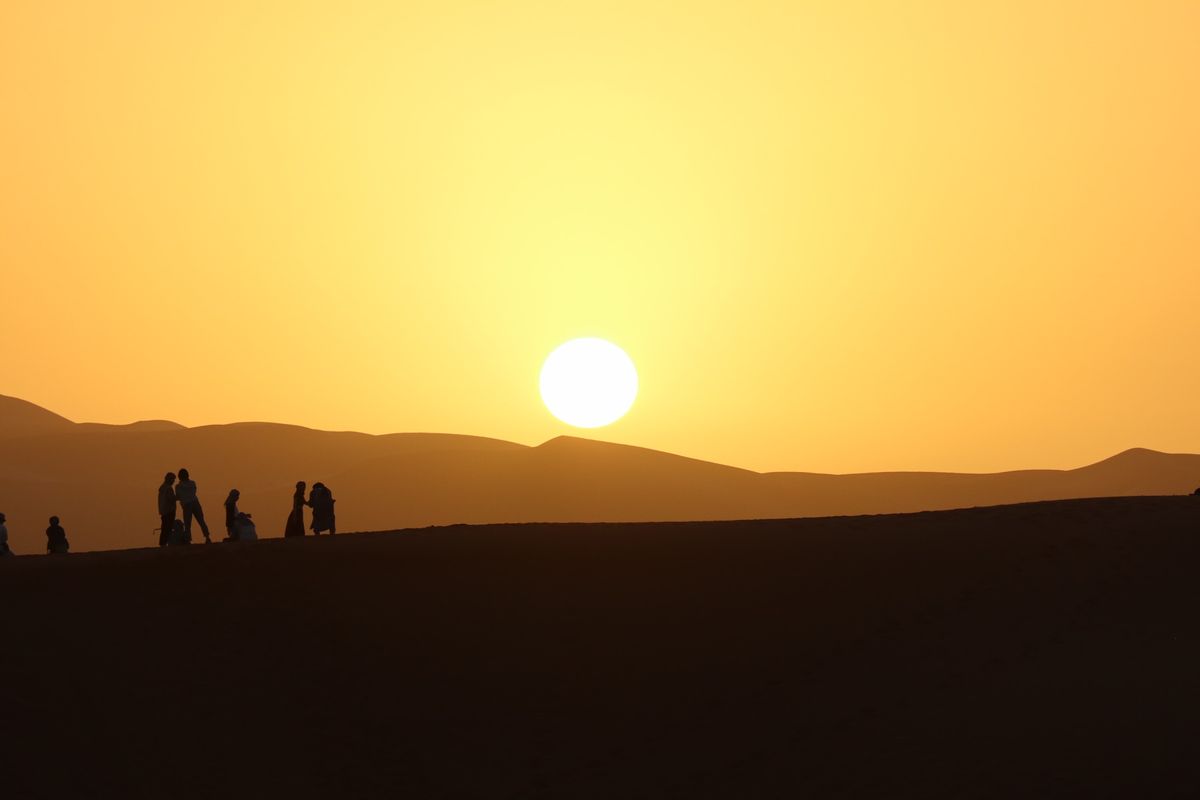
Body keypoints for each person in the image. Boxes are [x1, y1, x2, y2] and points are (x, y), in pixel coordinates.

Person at [176, 468, 211, 544]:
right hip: (195, 502)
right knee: (201, 521)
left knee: (187, 523)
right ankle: (207, 537)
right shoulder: (192, 483)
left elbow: (178, 497)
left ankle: (188, 540)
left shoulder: (178, 486)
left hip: (186, 505)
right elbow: (194, 491)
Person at [158, 472, 177, 548]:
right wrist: (178, 496)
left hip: (163, 511)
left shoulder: (162, 487)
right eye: (173, 479)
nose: (173, 481)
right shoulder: (168, 488)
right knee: (167, 528)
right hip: (169, 511)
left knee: (164, 527)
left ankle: (163, 543)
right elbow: (171, 499)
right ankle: (164, 543)